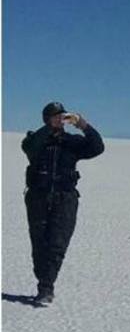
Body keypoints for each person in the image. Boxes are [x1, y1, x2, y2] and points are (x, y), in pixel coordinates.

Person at [21, 101, 105, 306]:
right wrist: (50, 128)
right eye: (54, 116)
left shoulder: (71, 142)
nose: (60, 119)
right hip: (38, 199)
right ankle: (43, 281)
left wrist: (83, 125)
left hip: (65, 199)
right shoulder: (36, 141)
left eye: (62, 116)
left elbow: (97, 147)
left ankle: (46, 287)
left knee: (57, 244)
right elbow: (30, 147)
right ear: (46, 119)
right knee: (39, 243)